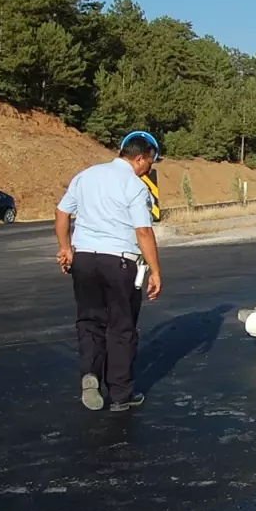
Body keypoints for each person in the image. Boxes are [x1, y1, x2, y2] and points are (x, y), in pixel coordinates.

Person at [55, 131, 163, 412]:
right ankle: (120, 395)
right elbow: (142, 230)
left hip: (84, 261)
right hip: (119, 262)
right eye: (150, 162)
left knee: (90, 321)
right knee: (121, 326)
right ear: (138, 158)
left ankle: (90, 373)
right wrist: (155, 271)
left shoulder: (86, 176)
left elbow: (62, 212)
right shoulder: (135, 186)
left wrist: (66, 248)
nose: (150, 168)